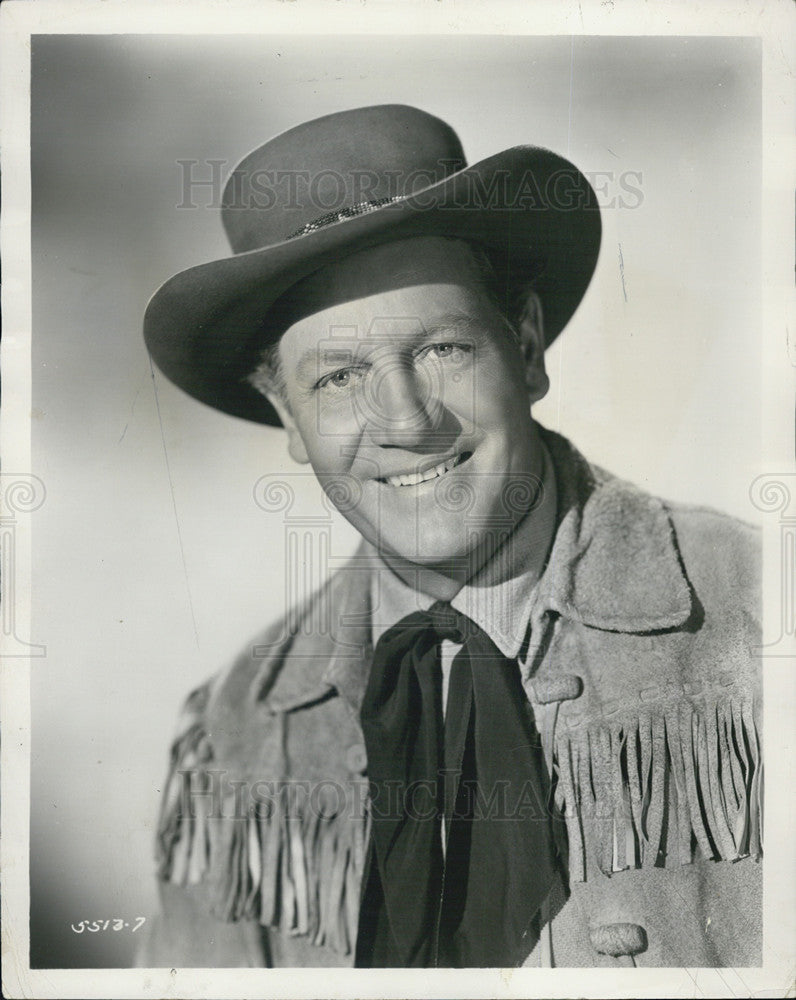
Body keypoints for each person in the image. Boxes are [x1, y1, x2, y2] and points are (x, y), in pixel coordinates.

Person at [138, 105, 762, 968]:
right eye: (339, 377)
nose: (406, 420)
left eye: (442, 350)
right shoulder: (241, 733)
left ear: (529, 346)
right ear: (287, 414)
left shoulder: (756, 620)